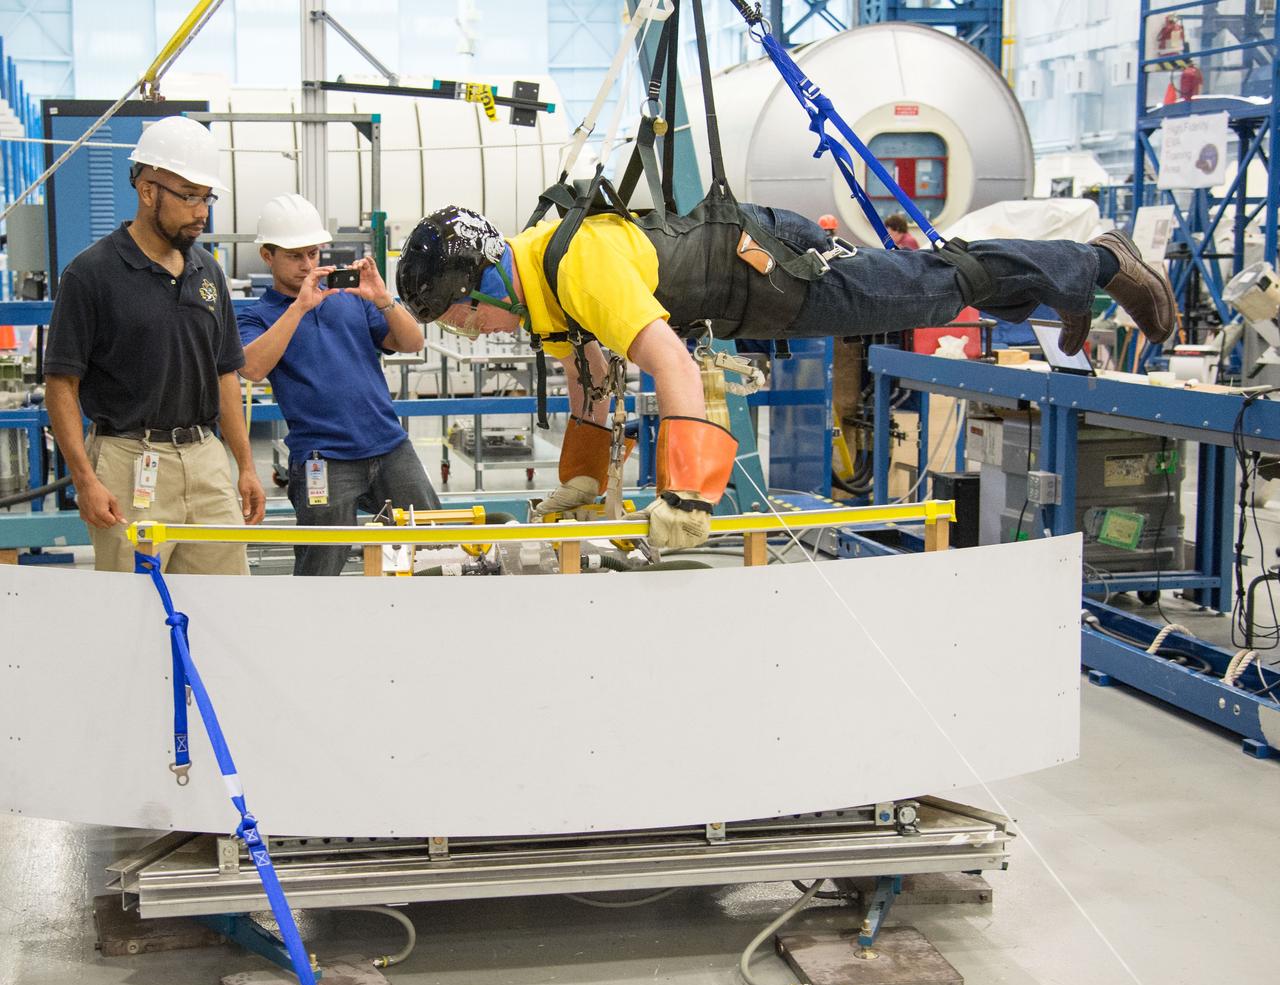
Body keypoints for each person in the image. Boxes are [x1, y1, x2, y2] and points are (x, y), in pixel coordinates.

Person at [395, 203, 1174, 548]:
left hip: (776, 273)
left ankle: (1097, 261)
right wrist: (582, 478)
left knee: (934, 286)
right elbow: (589, 374)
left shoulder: (577, 265)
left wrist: (686, 494)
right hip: (747, 299)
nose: (472, 333)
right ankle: (1067, 283)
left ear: (483, 283)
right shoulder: (540, 284)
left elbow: (671, 365)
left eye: (462, 318)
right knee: (936, 285)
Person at [45, 115, 265, 574]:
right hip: (128, 462)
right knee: (135, 603)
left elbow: (224, 372)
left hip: (206, 458)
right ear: (148, 191)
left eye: (207, 197)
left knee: (226, 599)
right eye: (189, 196)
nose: (202, 212)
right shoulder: (91, 274)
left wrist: (244, 465)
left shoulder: (208, 271)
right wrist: (85, 480)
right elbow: (61, 385)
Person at [237, 194, 440, 576]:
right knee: (321, 569)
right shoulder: (258, 317)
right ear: (267, 255)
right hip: (323, 458)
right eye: (294, 256)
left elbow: (413, 342)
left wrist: (382, 299)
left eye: (312, 253)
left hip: (390, 446)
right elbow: (251, 367)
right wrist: (300, 307)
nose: (307, 264)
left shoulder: (351, 300)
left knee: (435, 549)